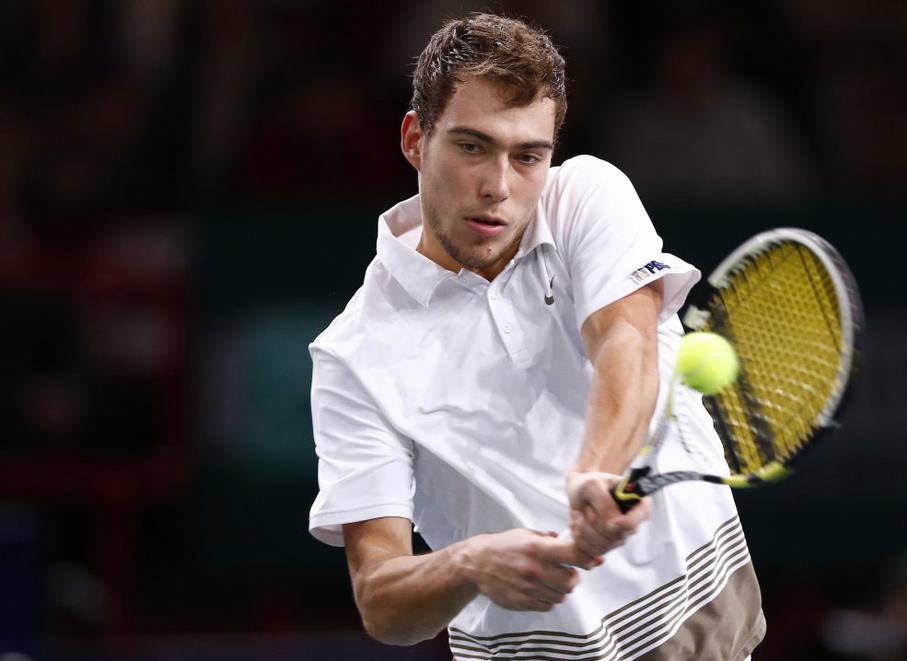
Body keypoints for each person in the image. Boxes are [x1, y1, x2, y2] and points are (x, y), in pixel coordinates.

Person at [308, 13, 765, 660]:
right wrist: (470, 563)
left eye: (527, 156)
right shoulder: (351, 355)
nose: (498, 186)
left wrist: (596, 473)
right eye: (471, 146)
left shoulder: (586, 195)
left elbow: (627, 345)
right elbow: (381, 599)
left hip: (706, 634)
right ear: (414, 139)